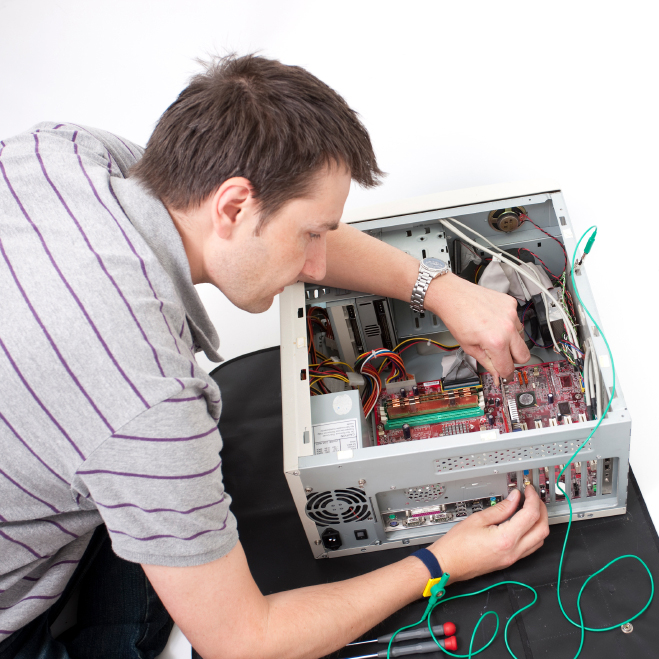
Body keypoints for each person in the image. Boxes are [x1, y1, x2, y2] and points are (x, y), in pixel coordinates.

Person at [0, 54, 548, 659]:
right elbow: (244, 643)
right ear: (233, 205)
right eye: (310, 235)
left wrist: (438, 287)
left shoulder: (61, 154)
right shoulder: (149, 400)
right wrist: (438, 561)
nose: (316, 268)